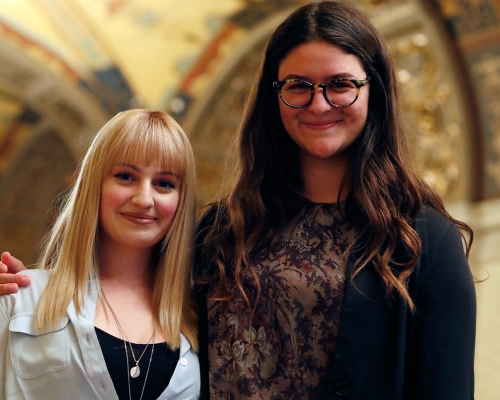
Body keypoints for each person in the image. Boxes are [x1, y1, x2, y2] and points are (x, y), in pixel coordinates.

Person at [0, 1, 476, 399]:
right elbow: (129, 293)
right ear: (275, 96)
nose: (318, 104)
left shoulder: (423, 237)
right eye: (298, 86)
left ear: (374, 91)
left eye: (340, 84)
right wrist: (25, 287)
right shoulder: (223, 230)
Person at [0, 109, 201, 399]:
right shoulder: (20, 298)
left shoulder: (201, 319)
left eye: (164, 183)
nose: (144, 199)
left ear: (182, 200)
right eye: (125, 176)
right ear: (95, 184)